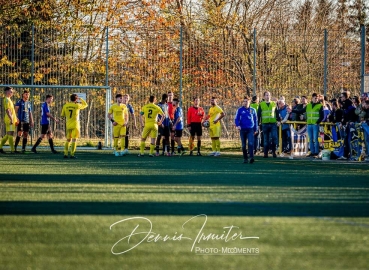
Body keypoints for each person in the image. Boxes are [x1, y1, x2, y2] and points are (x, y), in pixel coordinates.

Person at [292, 93, 324, 157]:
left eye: (317, 98)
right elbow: (300, 111)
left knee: (315, 139)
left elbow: (322, 116)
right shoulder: (308, 105)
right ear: (312, 98)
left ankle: (316, 152)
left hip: (315, 125)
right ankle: (312, 152)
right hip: (309, 124)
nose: (316, 99)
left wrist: (317, 122)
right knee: (310, 138)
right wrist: (292, 110)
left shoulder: (320, 106)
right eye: (315, 98)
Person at [61, 94, 88, 159]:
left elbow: (62, 115)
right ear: (76, 99)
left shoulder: (65, 106)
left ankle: (65, 153)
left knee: (68, 140)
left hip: (68, 125)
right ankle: (72, 154)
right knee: (74, 140)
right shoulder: (77, 105)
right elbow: (86, 105)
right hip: (75, 125)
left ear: (70, 99)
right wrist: (80, 99)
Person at [234, 96, 258, 163]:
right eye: (244, 101)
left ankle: (251, 157)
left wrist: (256, 129)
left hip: (250, 129)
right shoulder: (240, 110)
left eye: (246, 101)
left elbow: (256, 120)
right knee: (244, 145)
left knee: (250, 143)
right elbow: (236, 119)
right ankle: (245, 158)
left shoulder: (253, 110)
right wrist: (238, 125)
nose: (245, 103)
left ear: (249, 102)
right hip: (243, 129)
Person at [257, 91, 278, 158]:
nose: (267, 96)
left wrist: (278, 121)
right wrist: (258, 124)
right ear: (264, 96)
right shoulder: (261, 104)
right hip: (265, 124)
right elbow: (259, 114)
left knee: (274, 138)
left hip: (273, 123)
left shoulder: (274, 103)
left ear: (270, 96)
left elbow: (277, 113)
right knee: (266, 139)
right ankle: (265, 153)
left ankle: (274, 152)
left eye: (268, 95)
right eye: (266, 95)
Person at [0, 86, 18, 154]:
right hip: (9, 118)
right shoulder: (6, 99)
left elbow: (12, 110)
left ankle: (0, 147)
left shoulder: (9, 99)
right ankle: (12, 150)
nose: (12, 93)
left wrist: (16, 118)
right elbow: (8, 110)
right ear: (7, 92)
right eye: (11, 91)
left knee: (8, 134)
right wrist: (11, 119)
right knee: (10, 134)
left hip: (11, 118)